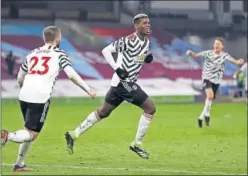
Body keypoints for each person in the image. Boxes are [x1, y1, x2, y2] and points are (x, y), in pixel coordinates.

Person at [1, 26, 96, 171]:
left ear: (45, 38)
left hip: (24, 95)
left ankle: (19, 164)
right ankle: (7, 136)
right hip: (40, 97)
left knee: (27, 129)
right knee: (32, 134)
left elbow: (20, 77)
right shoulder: (60, 54)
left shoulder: (32, 53)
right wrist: (88, 89)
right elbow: (71, 74)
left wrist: (24, 90)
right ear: (58, 38)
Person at [65, 14, 155, 159]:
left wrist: (145, 58)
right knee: (150, 108)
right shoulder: (128, 40)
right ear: (137, 26)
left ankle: (73, 134)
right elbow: (106, 51)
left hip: (119, 83)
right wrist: (117, 68)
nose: (148, 25)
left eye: (149, 23)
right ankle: (137, 143)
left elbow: (133, 57)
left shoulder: (146, 42)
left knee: (104, 112)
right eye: (145, 23)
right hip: (124, 82)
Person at [186, 38, 244, 128]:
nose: (216, 45)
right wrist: (191, 53)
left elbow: (234, 61)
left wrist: (239, 61)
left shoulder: (225, 55)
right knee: (210, 96)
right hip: (207, 78)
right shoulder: (208, 53)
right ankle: (202, 117)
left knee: (210, 100)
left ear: (222, 46)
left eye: (218, 44)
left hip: (216, 81)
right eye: (215, 43)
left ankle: (205, 115)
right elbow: (196, 55)